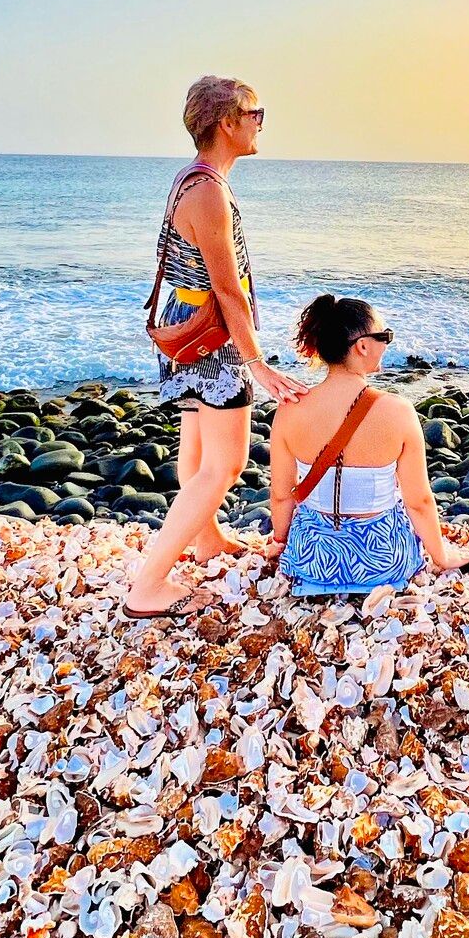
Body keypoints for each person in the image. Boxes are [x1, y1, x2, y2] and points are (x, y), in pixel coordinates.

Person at [124, 75, 308, 618]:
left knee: (198, 452)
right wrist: (258, 363)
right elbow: (228, 289)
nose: (260, 122)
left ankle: (206, 540)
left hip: (187, 328)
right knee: (225, 465)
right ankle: (148, 585)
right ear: (226, 123)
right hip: (213, 339)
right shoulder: (207, 191)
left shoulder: (193, 178)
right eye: (254, 112)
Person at [267, 294, 469, 595]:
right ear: (363, 346)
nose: (386, 343)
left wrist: (281, 542)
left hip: (312, 561)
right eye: (385, 336)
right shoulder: (398, 411)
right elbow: (418, 501)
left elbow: (280, 495)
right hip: (382, 562)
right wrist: (441, 557)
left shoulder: (290, 410)